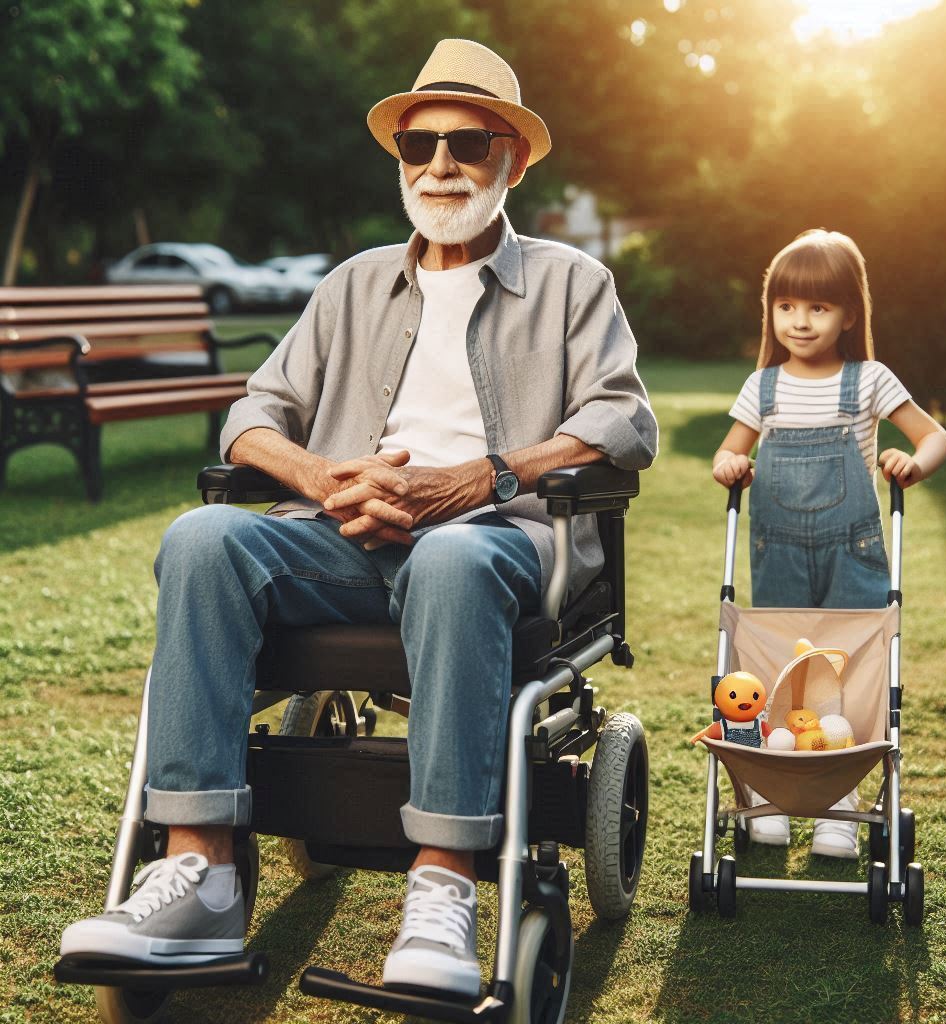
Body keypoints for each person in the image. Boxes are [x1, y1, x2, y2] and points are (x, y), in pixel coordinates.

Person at [60, 38, 657, 996]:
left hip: (493, 542)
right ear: (401, 163)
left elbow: (622, 421)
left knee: (454, 562)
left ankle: (444, 888)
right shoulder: (351, 285)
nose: (441, 166)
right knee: (201, 537)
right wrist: (326, 476)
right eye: (420, 148)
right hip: (339, 537)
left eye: (467, 142)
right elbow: (253, 416)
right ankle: (199, 873)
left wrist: (482, 478)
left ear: (513, 156)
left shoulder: (571, 283)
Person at [711, 229, 946, 856]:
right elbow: (727, 452)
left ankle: (839, 804)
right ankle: (771, 794)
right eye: (787, 306)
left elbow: (934, 437)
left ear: (848, 314)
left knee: (850, 664)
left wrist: (913, 463)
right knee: (779, 665)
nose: (800, 320)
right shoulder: (761, 387)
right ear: (771, 311)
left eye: (818, 307)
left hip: (854, 549)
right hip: (778, 550)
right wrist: (729, 465)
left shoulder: (868, 380)